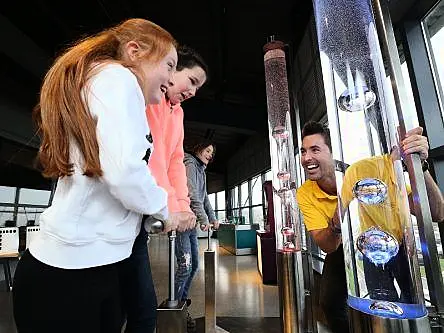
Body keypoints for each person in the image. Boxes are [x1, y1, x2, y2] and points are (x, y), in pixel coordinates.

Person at [12, 18, 178, 333]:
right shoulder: (119, 78)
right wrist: (164, 209)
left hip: (87, 269)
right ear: (134, 52)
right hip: (69, 278)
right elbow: (124, 173)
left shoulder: (103, 83)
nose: (172, 78)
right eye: (169, 65)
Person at [296, 121, 444, 333]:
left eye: (315, 150)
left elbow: (437, 212)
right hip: (344, 242)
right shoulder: (306, 192)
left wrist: (419, 165)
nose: (306, 158)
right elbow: (328, 245)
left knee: (408, 302)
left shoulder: (366, 170)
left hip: (390, 239)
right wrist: (339, 217)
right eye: (303, 151)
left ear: (332, 153)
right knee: (331, 300)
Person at [119, 45, 209, 333]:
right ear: (171, 70)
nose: (193, 92)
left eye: (198, 88)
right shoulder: (148, 99)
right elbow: (150, 160)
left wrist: (181, 207)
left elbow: (174, 161)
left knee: (142, 311)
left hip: (146, 216)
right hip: (131, 208)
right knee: (126, 307)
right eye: (192, 81)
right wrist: (170, 207)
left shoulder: (178, 113)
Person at [180, 141, 219, 332]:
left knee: (194, 264)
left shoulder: (201, 170)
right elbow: (192, 193)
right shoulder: (190, 163)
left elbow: (204, 198)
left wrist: (212, 217)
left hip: (191, 224)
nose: (210, 155)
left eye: (212, 153)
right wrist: (203, 219)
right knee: (184, 266)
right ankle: (177, 307)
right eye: (207, 150)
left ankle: (181, 304)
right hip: (182, 221)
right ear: (198, 149)